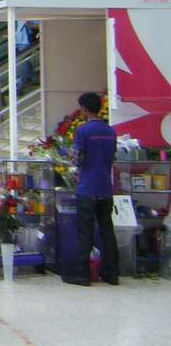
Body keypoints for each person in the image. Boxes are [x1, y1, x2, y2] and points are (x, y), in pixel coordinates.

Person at [64, 91, 119, 287]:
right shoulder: (110, 131)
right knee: (107, 230)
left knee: (85, 232)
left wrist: (70, 154)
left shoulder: (83, 131)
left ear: (85, 109)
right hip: (105, 187)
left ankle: (82, 274)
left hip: (87, 188)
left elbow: (77, 159)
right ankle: (111, 273)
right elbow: (112, 156)